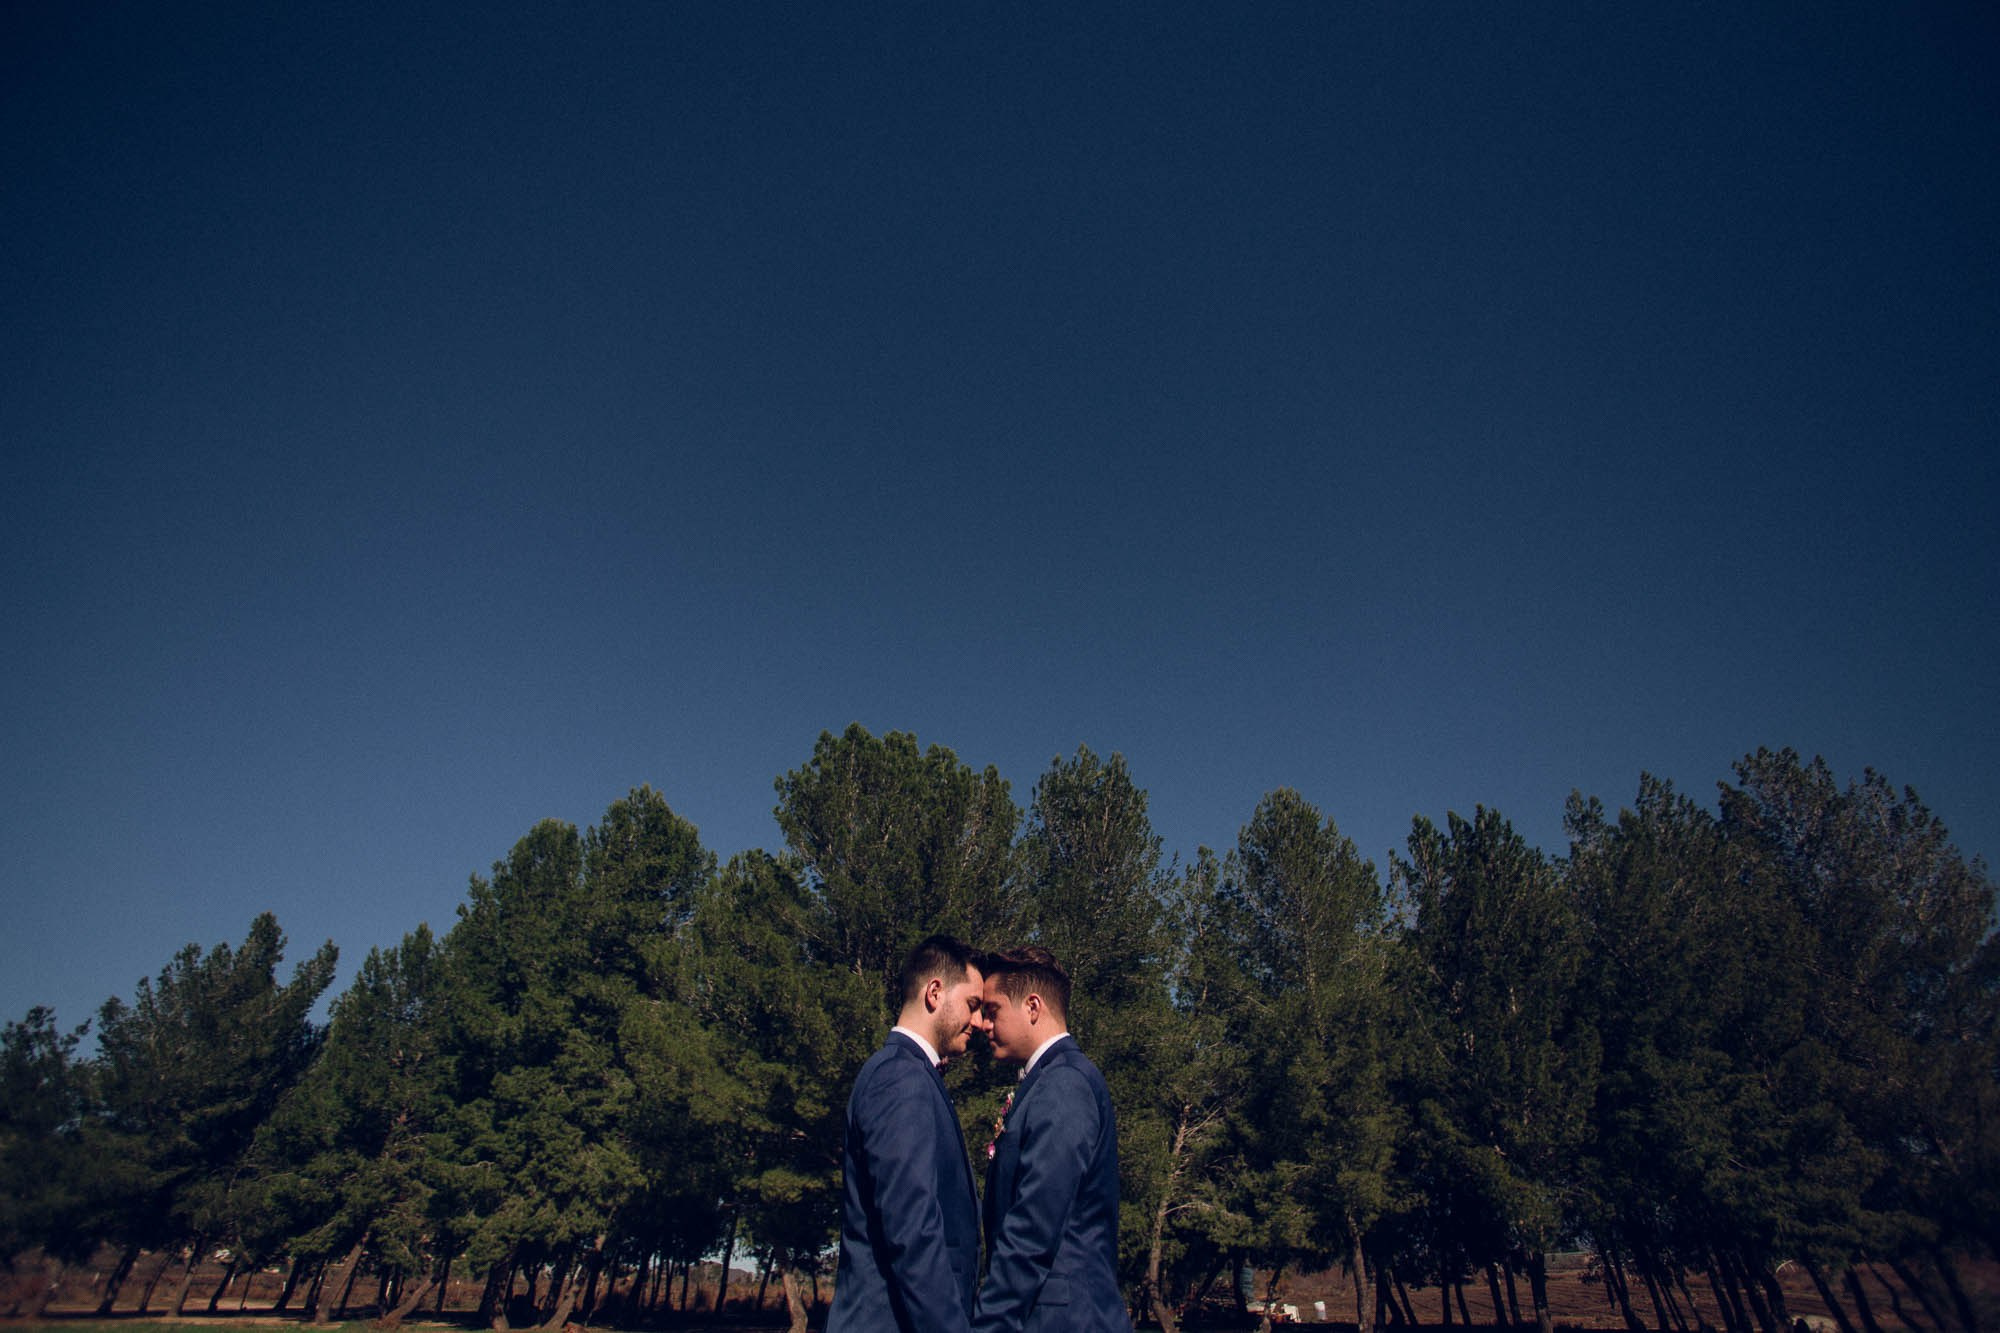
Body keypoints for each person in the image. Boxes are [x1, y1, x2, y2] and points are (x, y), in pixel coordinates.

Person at [826, 935, 989, 1333]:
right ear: (935, 992)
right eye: (972, 1005)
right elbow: (912, 1231)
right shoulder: (900, 1077)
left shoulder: (911, 1076)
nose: (981, 1022)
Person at [973, 946, 1128, 1332]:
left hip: (1065, 1318)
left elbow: (1034, 1225)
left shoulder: (1064, 1084)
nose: (982, 1024)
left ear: (1032, 1007)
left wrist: (990, 1323)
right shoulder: (1048, 1082)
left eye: (992, 1012)